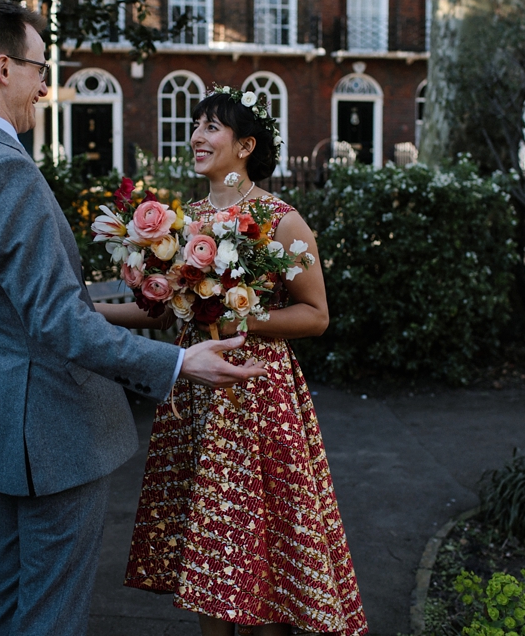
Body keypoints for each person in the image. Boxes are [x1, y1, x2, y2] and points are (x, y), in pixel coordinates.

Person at [0, 0, 267, 636]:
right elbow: (59, 323)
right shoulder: (4, 171)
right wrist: (179, 361)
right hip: (52, 425)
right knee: (51, 611)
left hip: (0, 411)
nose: (43, 85)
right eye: (37, 67)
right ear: (2, 67)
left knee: (11, 586)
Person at [116, 87, 369, 636]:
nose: (198, 136)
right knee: (210, 562)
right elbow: (165, 316)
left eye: (212, 127)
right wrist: (86, 314)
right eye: (197, 125)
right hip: (196, 401)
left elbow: (316, 315)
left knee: (261, 562)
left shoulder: (280, 219)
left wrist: (239, 320)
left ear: (246, 145)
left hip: (257, 402)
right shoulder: (183, 222)